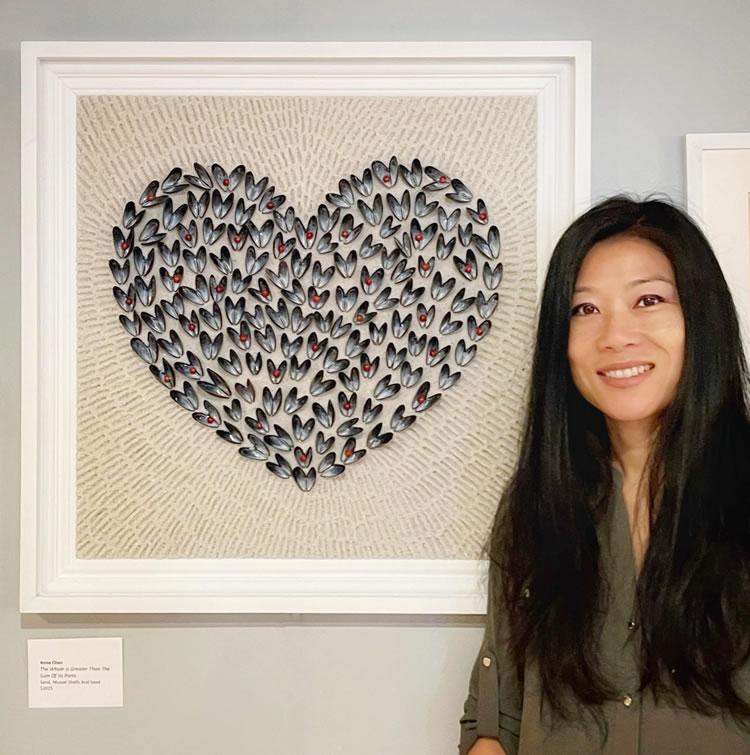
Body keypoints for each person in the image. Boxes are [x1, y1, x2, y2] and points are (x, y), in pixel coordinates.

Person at [458, 196, 750, 754]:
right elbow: (495, 725)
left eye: (648, 300)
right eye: (585, 309)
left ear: (701, 318)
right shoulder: (535, 503)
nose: (616, 335)